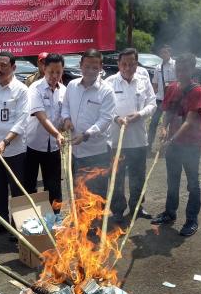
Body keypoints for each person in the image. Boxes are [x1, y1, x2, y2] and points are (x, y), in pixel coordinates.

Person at [151, 54, 201, 236]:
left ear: (192, 70)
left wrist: (171, 140)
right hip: (173, 143)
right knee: (172, 181)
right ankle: (169, 213)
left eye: (184, 70)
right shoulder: (172, 88)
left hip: (191, 145)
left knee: (192, 184)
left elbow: (189, 121)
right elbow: (168, 112)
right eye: (178, 70)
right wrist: (164, 129)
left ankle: (192, 220)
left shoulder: (197, 91)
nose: (181, 73)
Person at [0, 51, 30, 237]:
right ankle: (1, 222)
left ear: (13, 68)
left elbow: (22, 120)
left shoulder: (21, 90)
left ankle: (17, 227)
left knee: (17, 190)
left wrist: (6, 141)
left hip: (15, 150)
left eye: (4, 65)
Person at [106, 48, 156, 222]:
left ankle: (137, 208)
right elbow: (103, 109)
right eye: (124, 64)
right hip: (115, 141)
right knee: (117, 178)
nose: (128, 68)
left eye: (132, 64)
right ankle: (118, 211)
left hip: (138, 140)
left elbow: (152, 104)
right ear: (119, 64)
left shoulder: (143, 81)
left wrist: (140, 114)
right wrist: (116, 118)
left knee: (138, 177)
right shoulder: (109, 82)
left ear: (136, 64)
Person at [61, 49, 115, 199]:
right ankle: (79, 221)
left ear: (101, 67)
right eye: (87, 67)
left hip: (97, 153)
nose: (90, 71)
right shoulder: (72, 86)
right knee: (77, 192)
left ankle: (99, 223)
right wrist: (66, 119)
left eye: (95, 68)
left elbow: (105, 120)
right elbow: (65, 106)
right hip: (75, 152)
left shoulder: (106, 91)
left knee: (96, 196)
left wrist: (86, 135)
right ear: (80, 65)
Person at [25, 53, 66, 210]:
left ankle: (54, 222)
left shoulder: (64, 90)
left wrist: (66, 124)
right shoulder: (35, 88)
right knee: (29, 186)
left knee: (54, 187)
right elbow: (41, 117)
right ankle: (30, 224)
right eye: (51, 72)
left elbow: (65, 116)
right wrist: (57, 133)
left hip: (54, 147)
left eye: (58, 72)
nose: (55, 76)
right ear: (44, 69)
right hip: (33, 145)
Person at [149, 45, 176, 151]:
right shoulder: (158, 67)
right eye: (162, 53)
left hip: (172, 99)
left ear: (170, 53)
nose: (163, 55)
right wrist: (152, 96)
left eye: (165, 52)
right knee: (153, 123)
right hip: (160, 99)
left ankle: (169, 145)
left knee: (171, 123)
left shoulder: (175, 65)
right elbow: (155, 83)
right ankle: (149, 144)